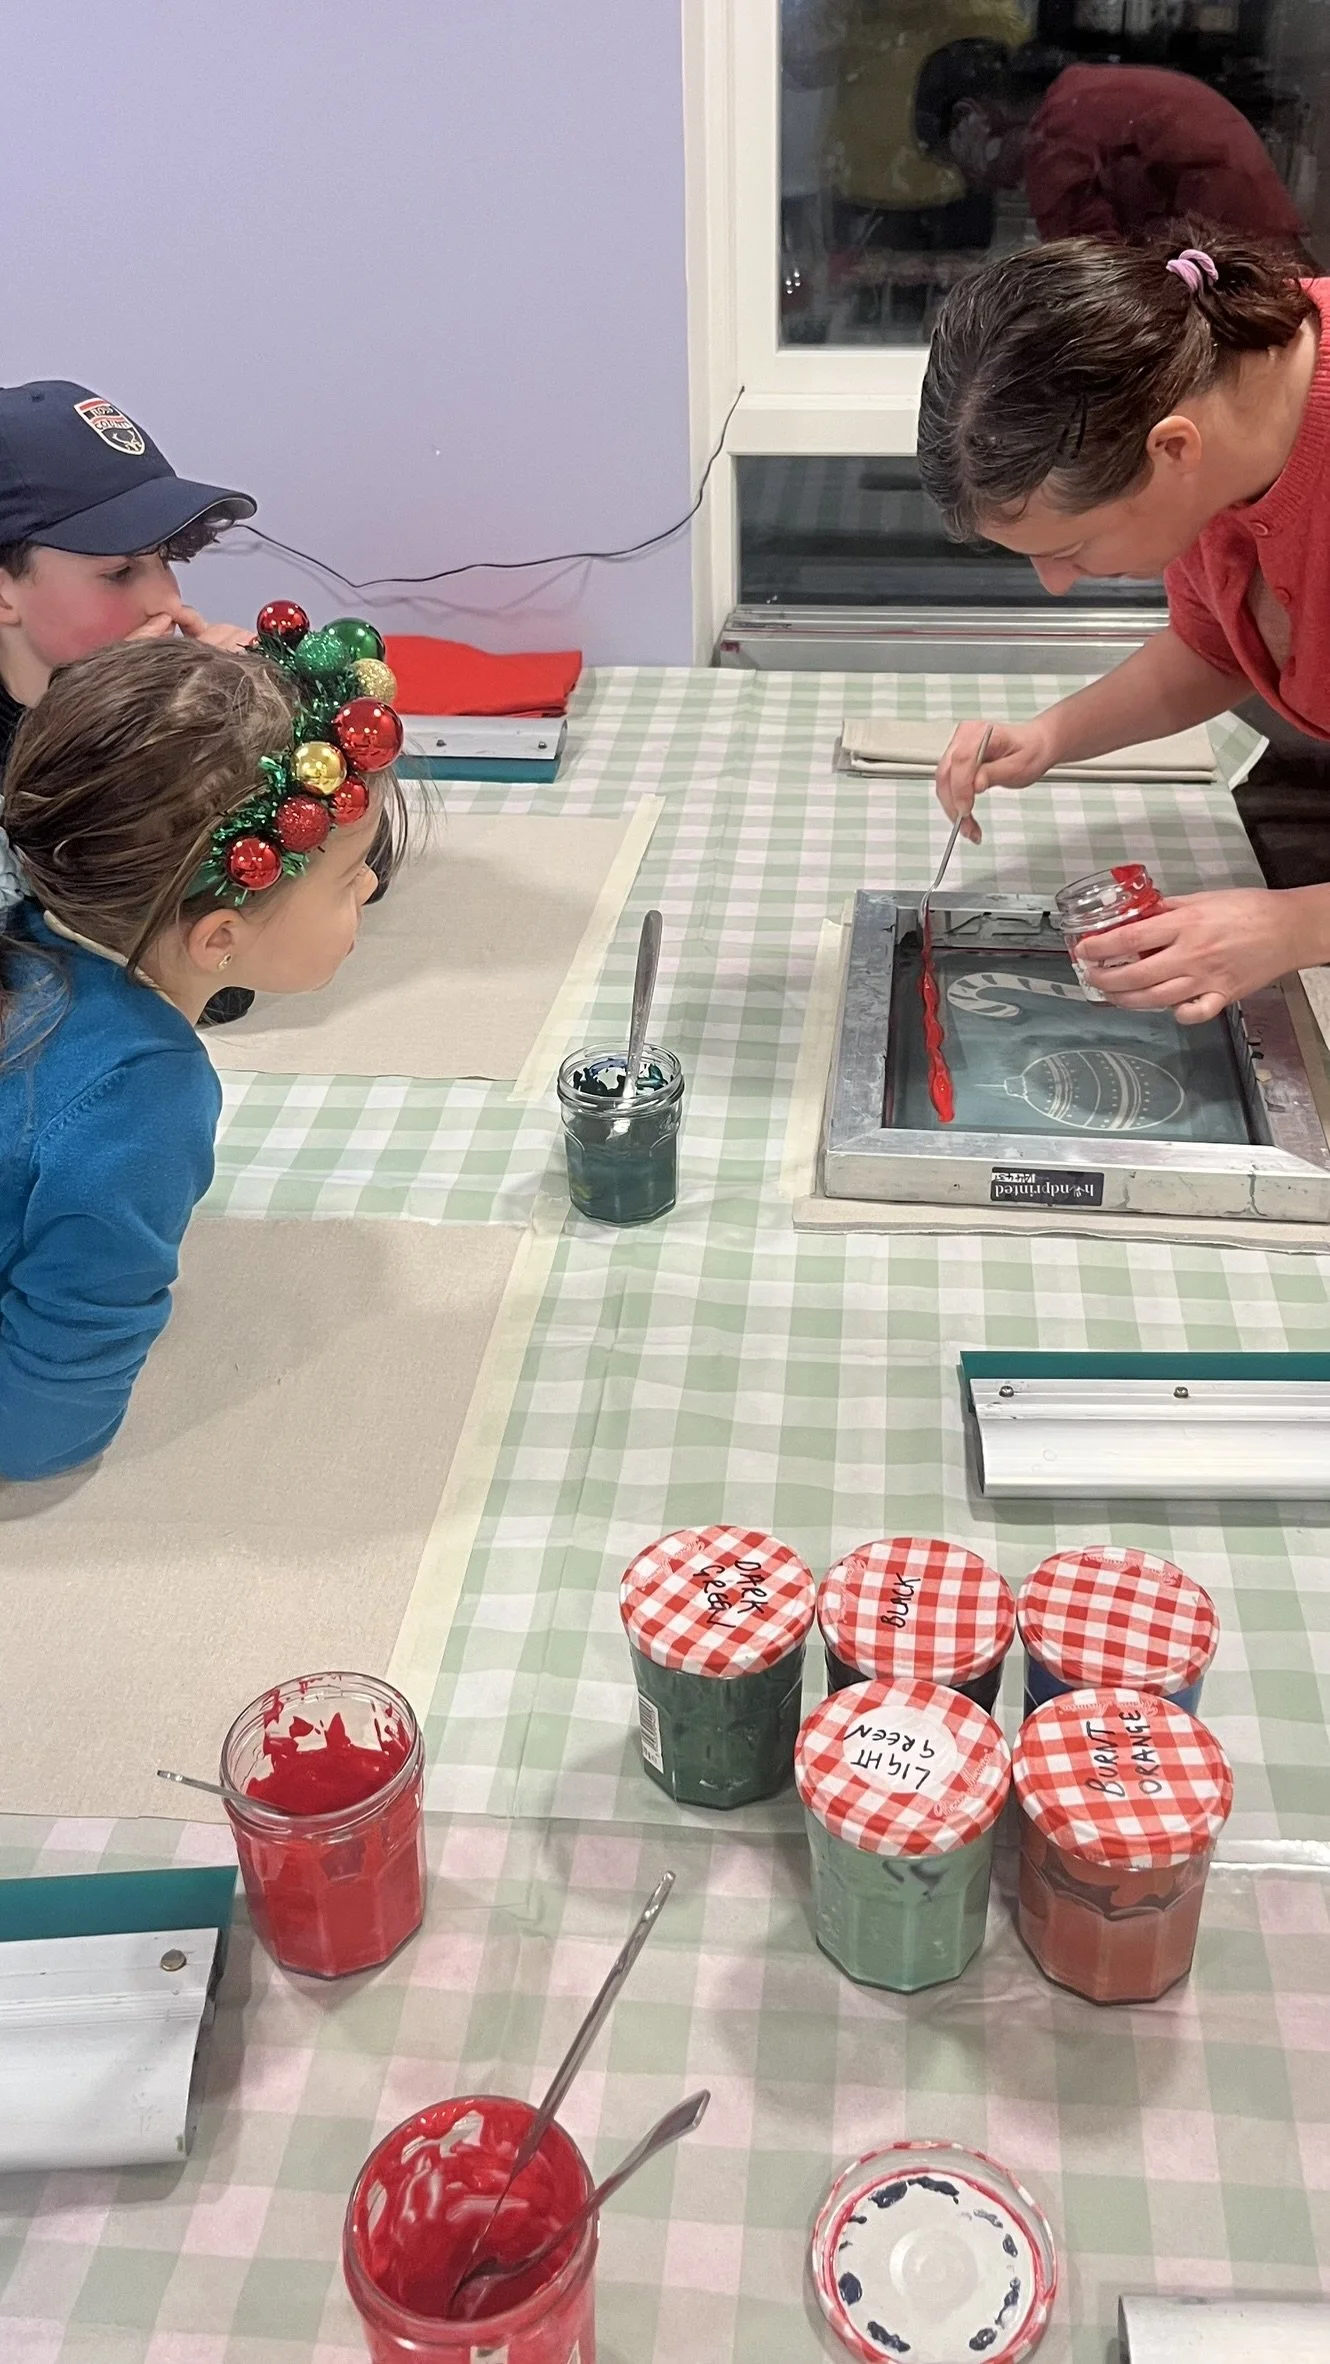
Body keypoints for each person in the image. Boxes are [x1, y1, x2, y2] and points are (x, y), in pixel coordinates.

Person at [0, 636, 405, 1483]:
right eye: (346, 878)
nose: (369, 888)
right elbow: (39, 1428)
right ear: (219, 938)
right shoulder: (141, 1097)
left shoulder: (32, 941)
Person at [917, 226, 1330, 1023]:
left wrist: (1295, 926)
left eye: (1070, 548)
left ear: (1172, 451)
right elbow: (1221, 648)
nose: (1058, 584)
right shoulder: (1210, 395)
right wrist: (1052, 737)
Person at [930, 45, 1308, 252]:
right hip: (1258, 258)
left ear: (971, 119)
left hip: (1246, 275)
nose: (970, 182)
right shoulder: (1080, 97)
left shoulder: (1056, 138)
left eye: (955, 163)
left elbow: (1090, 277)